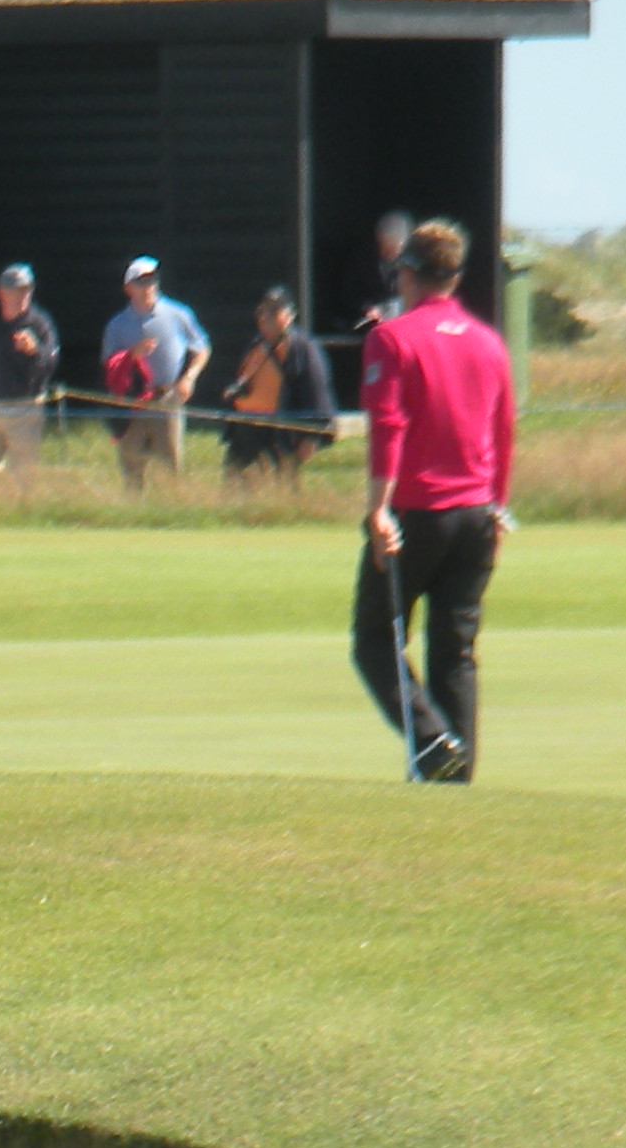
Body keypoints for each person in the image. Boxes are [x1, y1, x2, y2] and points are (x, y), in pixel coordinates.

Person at [354, 219, 516, 785]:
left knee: (374, 642)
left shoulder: (392, 337)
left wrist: (378, 508)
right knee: (456, 652)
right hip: (477, 514)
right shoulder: (489, 342)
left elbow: (388, 425)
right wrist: (499, 505)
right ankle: (456, 777)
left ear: (410, 273)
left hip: (416, 513)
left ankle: (432, 743)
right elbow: (503, 432)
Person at [100, 256, 206, 492]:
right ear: (128, 288)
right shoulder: (117, 325)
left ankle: (172, 516)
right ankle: (134, 517)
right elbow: (109, 367)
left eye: (152, 280)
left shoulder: (178, 314)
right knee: (131, 467)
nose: (148, 287)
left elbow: (202, 348)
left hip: (167, 399)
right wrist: (132, 355)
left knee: (170, 466)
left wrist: (189, 378)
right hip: (132, 404)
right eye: (141, 282)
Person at [220, 286, 335, 488]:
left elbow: (318, 392)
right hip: (245, 430)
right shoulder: (255, 346)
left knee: (280, 488)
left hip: (278, 434)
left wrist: (312, 436)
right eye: (262, 311)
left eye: (274, 311)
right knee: (235, 487)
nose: (266, 317)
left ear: (289, 315)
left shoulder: (303, 348)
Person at [0, 262, 59, 474]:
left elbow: (51, 363)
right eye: (17, 290)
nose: (23, 295)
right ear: (1, 293)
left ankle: (20, 506)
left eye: (27, 289)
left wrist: (35, 351)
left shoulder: (40, 324)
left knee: (23, 474)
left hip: (24, 409)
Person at [350, 211, 415, 330]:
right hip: (372, 329)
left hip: (405, 328)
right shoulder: (364, 262)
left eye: (392, 249)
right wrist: (367, 308)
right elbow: (351, 293)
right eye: (384, 247)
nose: (386, 253)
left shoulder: (414, 269)